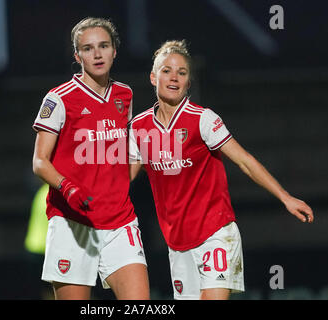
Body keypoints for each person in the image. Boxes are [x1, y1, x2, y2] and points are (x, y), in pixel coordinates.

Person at [129, 40, 314, 300]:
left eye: (182, 73)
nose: (174, 77)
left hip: (215, 232)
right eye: (167, 70)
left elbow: (245, 160)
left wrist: (286, 197)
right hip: (177, 242)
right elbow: (125, 177)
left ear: (188, 82)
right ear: (153, 77)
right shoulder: (139, 126)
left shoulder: (203, 119)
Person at [32, 17, 149, 300]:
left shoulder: (125, 94)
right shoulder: (59, 99)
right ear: (77, 55)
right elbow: (39, 161)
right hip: (72, 223)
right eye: (87, 48)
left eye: (103, 46)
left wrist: (125, 178)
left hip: (119, 221)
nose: (97, 54)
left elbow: (131, 151)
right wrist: (67, 187)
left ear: (114, 51)